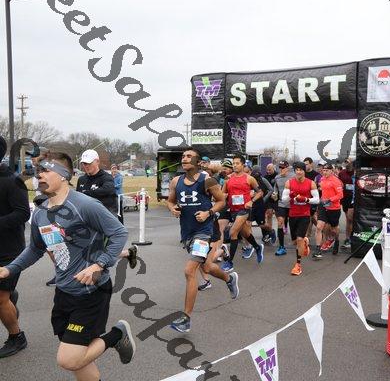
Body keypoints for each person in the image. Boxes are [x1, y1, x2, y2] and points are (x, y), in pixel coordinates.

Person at [0, 152, 136, 379]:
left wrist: (99, 265)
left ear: (64, 175)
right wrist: (9, 269)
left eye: (46, 170)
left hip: (91, 292)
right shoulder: (41, 213)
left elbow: (119, 233)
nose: (39, 175)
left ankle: (117, 335)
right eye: (38, 171)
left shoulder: (85, 204)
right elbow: (35, 248)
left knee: (69, 359)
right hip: (64, 292)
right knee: (79, 360)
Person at [166, 148, 239, 333]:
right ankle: (229, 278)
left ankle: (186, 319)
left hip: (204, 232)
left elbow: (221, 201)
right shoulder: (176, 181)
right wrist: (172, 208)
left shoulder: (208, 180)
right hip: (187, 233)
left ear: (198, 162)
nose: (184, 158)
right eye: (183, 156)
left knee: (189, 270)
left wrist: (208, 212)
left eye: (189, 156)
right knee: (206, 267)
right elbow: (170, 201)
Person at [0, 137, 29, 358]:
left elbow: (23, 213)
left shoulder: (12, 180)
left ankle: (16, 337)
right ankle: (10, 298)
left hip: (9, 250)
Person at [220, 154, 264, 272]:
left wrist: (251, 201)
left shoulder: (249, 178)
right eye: (233, 163)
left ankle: (229, 262)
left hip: (244, 209)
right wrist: (221, 199)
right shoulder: (228, 179)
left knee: (233, 232)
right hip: (233, 210)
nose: (235, 165)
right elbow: (223, 194)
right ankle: (257, 247)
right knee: (246, 233)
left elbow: (260, 192)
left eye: (237, 163)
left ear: (243, 165)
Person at [281, 162, 320, 275]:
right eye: (296, 170)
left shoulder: (311, 183)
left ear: (304, 171)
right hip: (293, 215)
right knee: (295, 241)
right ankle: (305, 242)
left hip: (304, 215)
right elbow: (284, 199)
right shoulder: (289, 182)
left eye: (300, 170)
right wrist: (290, 196)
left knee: (299, 239)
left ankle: (298, 265)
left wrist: (306, 199)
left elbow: (317, 199)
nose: (298, 172)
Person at [313, 163, 344, 259]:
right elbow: (323, 190)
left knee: (334, 229)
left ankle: (337, 240)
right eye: (323, 170)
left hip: (334, 208)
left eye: (327, 170)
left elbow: (340, 195)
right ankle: (318, 250)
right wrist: (322, 200)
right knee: (319, 227)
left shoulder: (336, 181)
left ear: (331, 171)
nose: (325, 172)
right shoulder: (322, 179)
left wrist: (330, 200)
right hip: (323, 206)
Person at [273, 161, 294, 256]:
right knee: (280, 223)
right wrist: (275, 195)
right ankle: (281, 247)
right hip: (281, 203)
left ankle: (300, 243)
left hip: (293, 204)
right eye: (280, 167)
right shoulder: (277, 178)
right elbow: (275, 190)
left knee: (294, 226)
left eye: (283, 167)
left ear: (288, 168)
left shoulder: (293, 177)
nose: (281, 169)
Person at [338, 159, 355, 249]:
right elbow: (339, 184)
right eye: (345, 162)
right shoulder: (342, 173)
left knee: (350, 218)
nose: (346, 163)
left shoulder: (356, 172)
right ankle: (348, 238)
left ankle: (350, 238)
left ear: (351, 163)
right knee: (348, 219)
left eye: (347, 161)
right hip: (345, 198)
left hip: (354, 198)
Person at [263, 163, 278, 244]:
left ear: (274, 169)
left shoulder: (277, 176)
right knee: (269, 215)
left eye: (270, 170)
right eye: (267, 170)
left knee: (279, 217)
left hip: (276, 199)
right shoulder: (265, 177)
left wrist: (276, 194)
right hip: (268, 199)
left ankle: (281, 229)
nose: (268, 171)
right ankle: (270, 232)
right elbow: (264, 188)